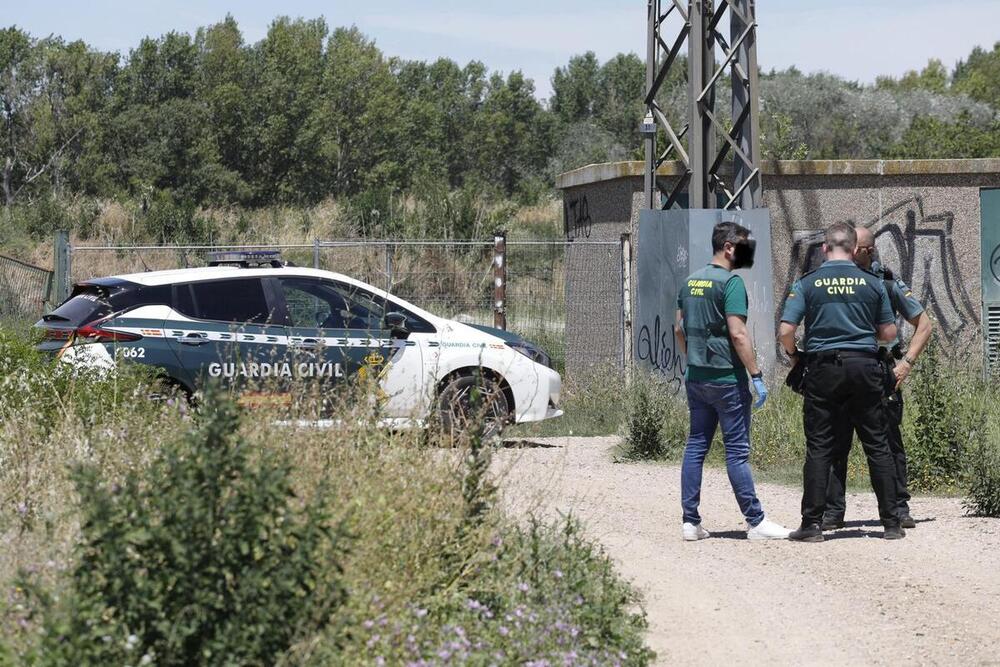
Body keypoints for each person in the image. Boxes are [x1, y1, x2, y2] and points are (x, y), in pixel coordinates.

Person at [778, 221, 904, 542]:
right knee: (877, 443)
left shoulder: (808, 283)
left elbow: (785, 331)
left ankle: (812, 525)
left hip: (823, 369)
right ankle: (891, 523)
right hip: (865, 367)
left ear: (824, 248)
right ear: (852, 249)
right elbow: (889, 334)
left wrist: (796, 358)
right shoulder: (872, 283)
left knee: (821, 446)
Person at [674, 221, 790, 541]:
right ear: (728, 247)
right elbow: (738, 334)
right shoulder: (731, 283)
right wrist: (756, 375)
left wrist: (694, 360)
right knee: (737, 452)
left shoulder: (690, 282)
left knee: (696, 446)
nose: (746, 253)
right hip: (727, 380)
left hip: (696, 378)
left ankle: (690, 522)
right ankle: (756, 521)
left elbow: (678, 330)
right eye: (743, 246)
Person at [822, 225, 933, 531]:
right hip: (842, 374)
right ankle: (832, 512)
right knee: (835, 442)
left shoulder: (885, 281)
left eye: (851, 247)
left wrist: (906, 364)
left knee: (886, 443)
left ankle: (897, 507)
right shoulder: (831, 280)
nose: (843, 250)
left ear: (865, 251)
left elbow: (924, 324)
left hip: (879, 374)